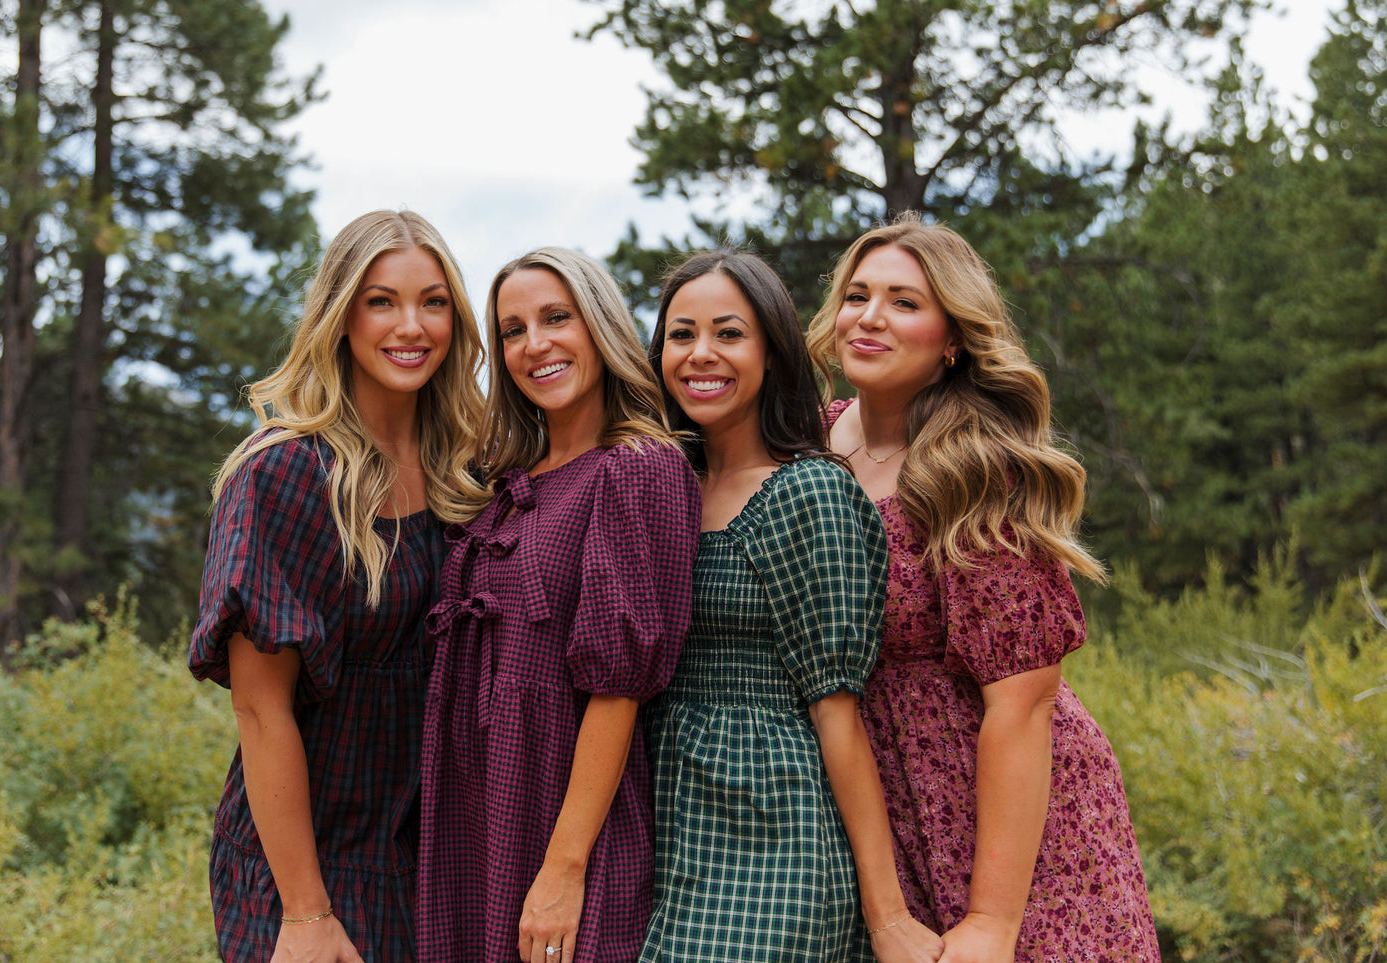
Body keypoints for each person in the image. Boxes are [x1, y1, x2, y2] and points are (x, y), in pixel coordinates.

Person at [807, 213, 1162, 962]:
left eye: (904, 302)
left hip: (1003, 822)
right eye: (857, 295)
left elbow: (1022, 704)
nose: (869, 317)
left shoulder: (976, 474)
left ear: (953, 338)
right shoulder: (812, 444)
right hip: (875, 809)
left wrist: (993, 920)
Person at [190, 209, 486, 962]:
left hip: (424, 843)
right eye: (381, 300)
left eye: (433, 301)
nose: (410, 325)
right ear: (340, 314)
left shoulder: (465, 467)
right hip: (309, 860)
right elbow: (260, 709)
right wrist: (305, 911)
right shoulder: (285, 474)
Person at [639, 251, 943, 963]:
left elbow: (837, 710)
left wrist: (887, 913)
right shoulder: (662, 482)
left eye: (728, 333)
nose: (700, 354)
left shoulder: (809, 492)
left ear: (772, 352)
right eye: (681, 335)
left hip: (772, 825)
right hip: (662, 814)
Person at [415, 248, 700, 963]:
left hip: (557, 816)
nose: (533, 344)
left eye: (555, 318)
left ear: (599, 325)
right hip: (469, 808)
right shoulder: (503, 480)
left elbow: (618, 689)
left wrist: (562, 868)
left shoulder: (637, 467)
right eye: (512, 329)